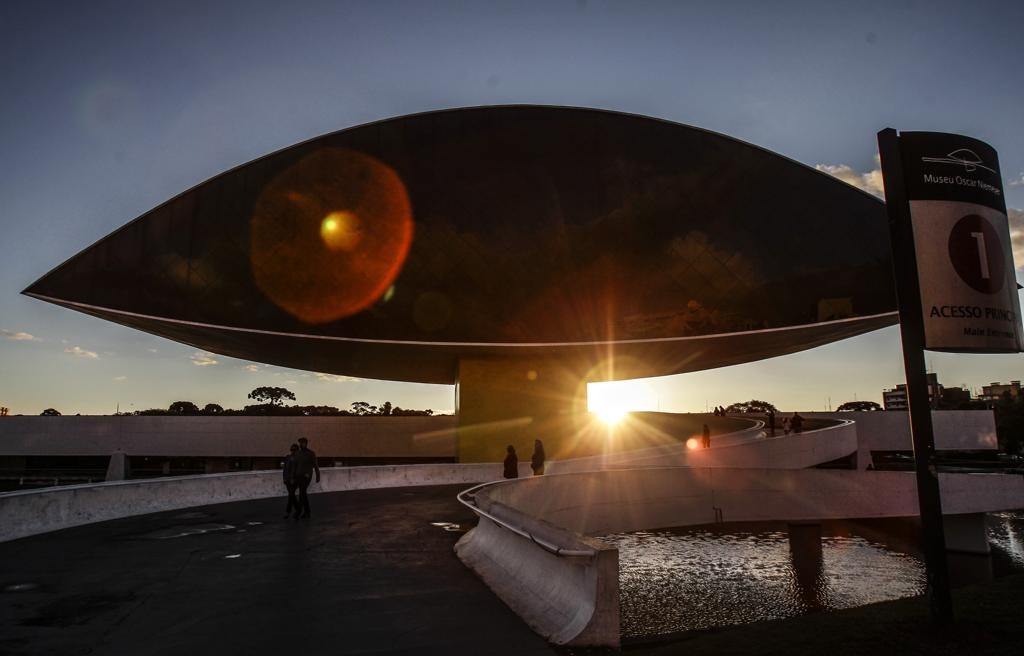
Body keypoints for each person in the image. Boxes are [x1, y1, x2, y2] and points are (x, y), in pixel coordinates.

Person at [292, 437, 320, 519]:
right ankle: (304, 511)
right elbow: (294, 466)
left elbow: (315, 465)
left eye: (303, 443)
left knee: (302, 492)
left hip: (306, 476)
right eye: (300, 443)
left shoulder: (311, 453)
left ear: (306, 443)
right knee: (300, 494)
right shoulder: (297, 453)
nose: (301, 444)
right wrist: (292, 476)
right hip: (298, 476)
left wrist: (318, 476)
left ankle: (300, 512)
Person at [282, 443, 299, 519]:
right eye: (292, 450)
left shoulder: (298, 459)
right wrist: (284, 478)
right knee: (291, 495)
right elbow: (285, 469)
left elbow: (298, 470)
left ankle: (288, 512)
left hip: (294, 480)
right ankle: (298, 509)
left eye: (294, 450)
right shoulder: (287, 457)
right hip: (288, 480)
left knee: (291, 495)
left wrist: (295, 479)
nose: (293, 451)